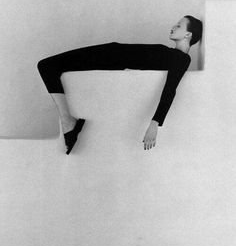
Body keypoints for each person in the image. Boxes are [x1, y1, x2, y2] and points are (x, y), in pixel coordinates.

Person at [37, 15, 203, 154]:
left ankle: (68, 121)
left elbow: (170, 89)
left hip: (110, 57)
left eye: (179, 25)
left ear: (188, 35)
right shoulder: (173, 54)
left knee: (47, 65)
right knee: (47, 66)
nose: (173, 26)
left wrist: (155, 123)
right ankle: (69, 122)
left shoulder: (181, 59)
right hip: (111, 53)